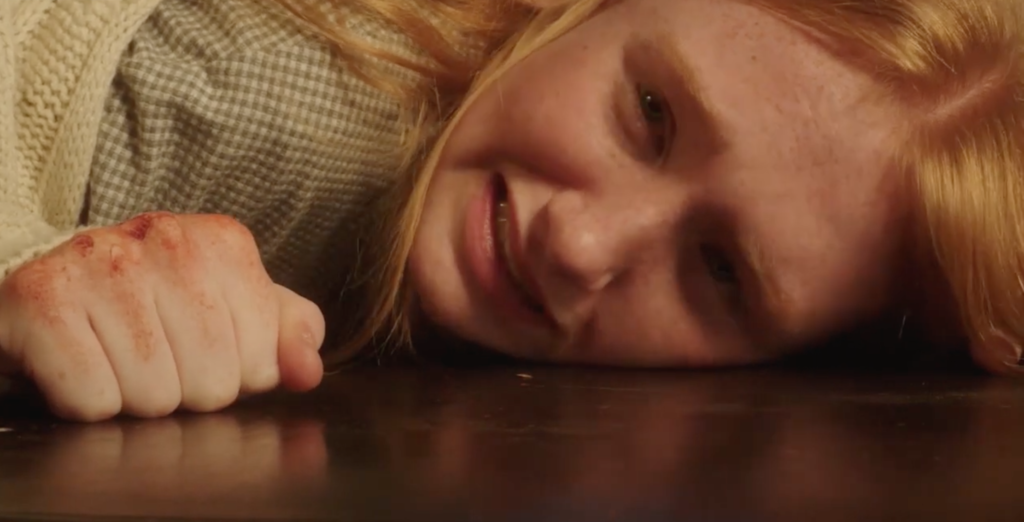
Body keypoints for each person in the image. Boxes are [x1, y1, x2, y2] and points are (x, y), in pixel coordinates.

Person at [0, 0, 1021, 422]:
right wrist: (26, 265)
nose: (578, 243)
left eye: (721, 272)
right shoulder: (309, 97)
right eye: (650, 114)